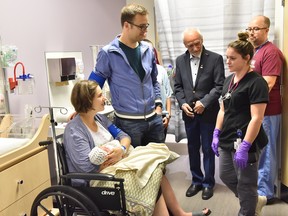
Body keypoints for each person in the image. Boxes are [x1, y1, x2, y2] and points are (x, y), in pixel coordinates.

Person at [63, 80, 211, 216]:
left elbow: (125, 137)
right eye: (100, 95)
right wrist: (116, 158)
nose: (104, 98)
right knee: (149, 179)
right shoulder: (75, 130)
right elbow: (86, 168)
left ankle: (179, 213)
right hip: (95, 181)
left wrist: (120, 150)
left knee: (154, 167)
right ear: (88, 101)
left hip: (117, 164)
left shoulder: (100, 119)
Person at [88, 3, 165, 147]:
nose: (145, 31)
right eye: (141, 27)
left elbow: (154, 80)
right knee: (134, 167)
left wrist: (158, 105)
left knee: (159, 164)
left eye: (146, 26)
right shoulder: (108, 53)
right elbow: (92, 85)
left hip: (153, 119)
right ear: (126, 25)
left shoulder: (148, 49)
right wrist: (82, 109)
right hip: (128, 123)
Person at [211, 32, 269, 216]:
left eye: (232, 58)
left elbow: (257, 118)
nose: (228, 62)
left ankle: (248, 211)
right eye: (227, 57)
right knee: (226, 176)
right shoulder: (229, 79)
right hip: (228, 139)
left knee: (246, 183)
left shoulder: (256, 83)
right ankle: (253, 200)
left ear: (247, 58)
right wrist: (216, 132)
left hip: (247, 142)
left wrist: (245, 146)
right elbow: (223, 109)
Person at [174, 27, 225, 200]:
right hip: (189, 114)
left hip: (209, 112)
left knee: (208, 149)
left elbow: (219, 86)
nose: (195, 48)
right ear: (185, 45)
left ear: (202, 40)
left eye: (197, 43)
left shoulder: (215, 59)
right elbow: (178, 87)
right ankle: (196, 180)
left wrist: (204, 102)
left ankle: (208, 183)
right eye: (190, 46)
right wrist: (182, 104)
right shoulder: (180, 60)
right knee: (192, 148)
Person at [246, 15, 285, 211]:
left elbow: (268, 84)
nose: (251, 32)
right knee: (259, 151)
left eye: (256, 29)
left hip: (268, 111)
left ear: (266, 30)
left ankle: (266, 193)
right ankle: (260, 188)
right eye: (249, 29)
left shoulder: (270, 52)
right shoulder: (254, 52)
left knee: (267, 151)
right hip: (256, 111)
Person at [142, 38, 173, 137]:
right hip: (143, 117)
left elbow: (168, 94)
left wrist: (168, 115)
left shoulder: (161, 70)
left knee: (159, 148)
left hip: (161, 115)